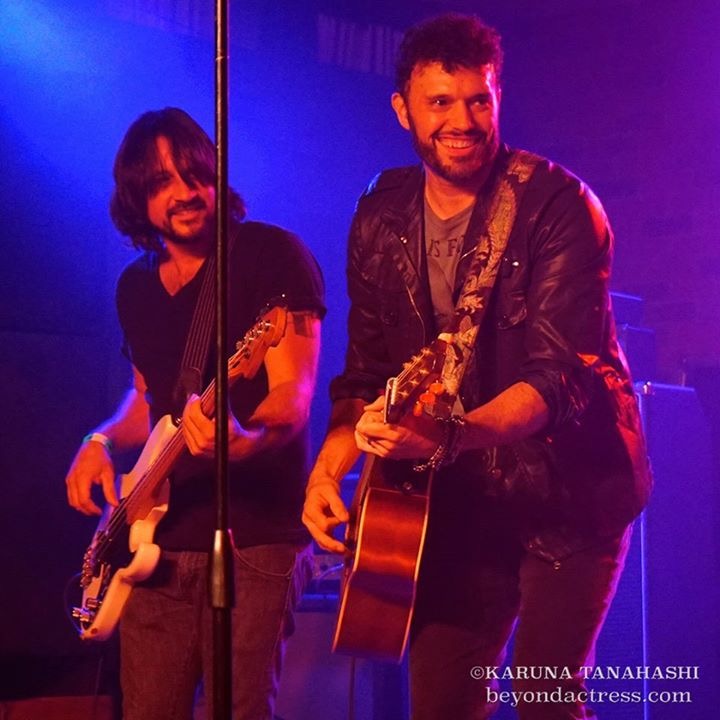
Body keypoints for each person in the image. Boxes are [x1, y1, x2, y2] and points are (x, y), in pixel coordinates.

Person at [303, 13, 650, 720]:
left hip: (570, 496)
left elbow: (558, 379)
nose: (462, 121)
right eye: (440, 101)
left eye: (478, 100)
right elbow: (366, 372)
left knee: (543, 697)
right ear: (402, 108)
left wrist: (450, 435)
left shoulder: (559, 206)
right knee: (441, 703)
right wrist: (329, 467)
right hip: (457, 501)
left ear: (497, 98)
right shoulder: (379, 213)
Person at [65, 107, 325, 720]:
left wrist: (243, 440)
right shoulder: (134, 286)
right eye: (162, 182)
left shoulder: (268, 254)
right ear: (135, 197)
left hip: (252, 540)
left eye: (195, 174)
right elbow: (147, 399)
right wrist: (100, 440)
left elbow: (293, 395)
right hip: (153, 542)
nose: (184, 192)